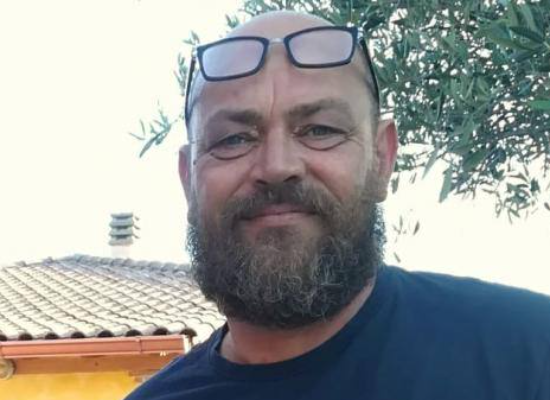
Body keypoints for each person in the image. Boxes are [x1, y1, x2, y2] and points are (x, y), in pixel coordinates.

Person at [126, 10, 550, 400]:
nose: (277, 166)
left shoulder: (529, 354)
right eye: (233, 139)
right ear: (188, 180)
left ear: (382, 159)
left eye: (320, 130)